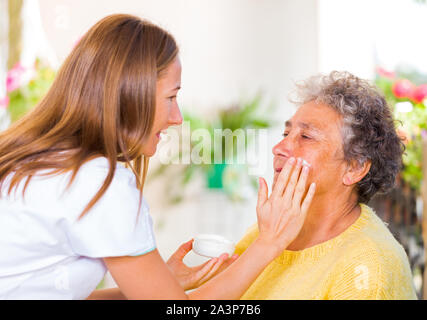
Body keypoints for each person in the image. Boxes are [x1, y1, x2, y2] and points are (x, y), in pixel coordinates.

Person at [0, 14, 316, 299]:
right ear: (130, 94)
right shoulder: (98, 181)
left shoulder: (39, 157)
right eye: (171, 97)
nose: (176, 117)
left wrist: (153, 284)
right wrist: (269, 243)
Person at [234, 71, 418, 300]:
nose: (279, 147)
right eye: (286, 132)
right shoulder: (268, 233)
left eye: (306, 137)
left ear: (354, 167)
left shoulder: (368, 267)